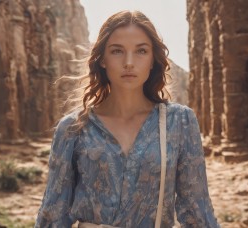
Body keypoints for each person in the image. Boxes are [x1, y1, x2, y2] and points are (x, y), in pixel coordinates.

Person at [35, 10, 220, 228]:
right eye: (117, 51)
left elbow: (198, 211)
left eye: (141, 51)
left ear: (153, 60)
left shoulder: (179, 121)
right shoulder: (73, 128)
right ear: (102, 59)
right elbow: (53, 214)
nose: (129, 62)